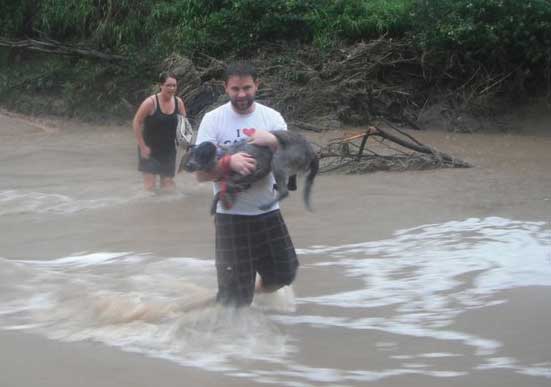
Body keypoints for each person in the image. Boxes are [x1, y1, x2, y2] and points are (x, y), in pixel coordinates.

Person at [194, 61, 299, 307]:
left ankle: (249, 290)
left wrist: (273, 140)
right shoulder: (213, 120)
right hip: (231, 217)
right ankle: (223, 321)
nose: (241, 95)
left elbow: (293, 160)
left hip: (268, 213)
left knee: (285, 274)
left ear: (257, 85)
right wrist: (229, 162)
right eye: (235, 89)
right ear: (226, 88)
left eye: (247, 88)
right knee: (235, 300)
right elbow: (200, 174)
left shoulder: (271, 118)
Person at [133, 72, 187, 191]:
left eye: (174, 85)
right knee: (150, 187)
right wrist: (142, 147)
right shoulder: (150, 103)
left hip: (168, 150)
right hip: (149, 150)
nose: (172, 88)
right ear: (161, 86)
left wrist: (186, 146)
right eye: (168, 85)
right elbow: (136, 122)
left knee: (168, 187)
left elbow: (184, 127)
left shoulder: (179, 103)